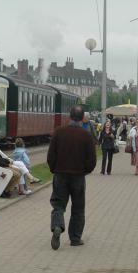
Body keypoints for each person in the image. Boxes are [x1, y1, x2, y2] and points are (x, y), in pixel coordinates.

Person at [47, 105, 97, 250]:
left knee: (58, 204)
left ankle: (57, 226)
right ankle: (75, 238)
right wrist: (85, 171)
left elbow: (51, 155)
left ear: (69, 116)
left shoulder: (59, 132)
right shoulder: (86, 135)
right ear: (82, 118)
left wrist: (54, 169)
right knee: (78, 207)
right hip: (78, 177)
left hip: (60, 175)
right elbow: (92, 160)